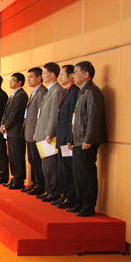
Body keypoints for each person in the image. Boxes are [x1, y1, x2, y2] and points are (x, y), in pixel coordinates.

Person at [67, 61, 107, 217]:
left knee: (86, 174)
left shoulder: (92, 91)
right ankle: (80, 203)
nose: (73, 76)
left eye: (76, 72)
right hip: (78, 139)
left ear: (86, 74)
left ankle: (88, 206)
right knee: (78, 174)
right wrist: (72, 139)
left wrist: (88, 139)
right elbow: (76, 119)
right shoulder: (82, 91)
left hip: (86, 140)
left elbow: (93, 117)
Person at [34, 62, 64, 203]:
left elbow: (54, 114)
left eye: (45, 73)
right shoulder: (48, 90)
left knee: (51, 165)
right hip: (42, 132)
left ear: (53, 75)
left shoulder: (57, 90)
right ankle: (49, 190)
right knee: (45, 164)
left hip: (49, 135)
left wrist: (49, 132)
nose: (43, 76)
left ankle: (54, 191)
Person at [55, 65, 79, 210]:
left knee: (68, 168)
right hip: (61, 136)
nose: (60, 77)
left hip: (67, 138)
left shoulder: (74, 92)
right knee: (62, 168)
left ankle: (71, 197)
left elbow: (72, 117)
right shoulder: (66, 91)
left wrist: (70, 138)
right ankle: (65, 195)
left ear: (71, 76)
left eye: (63, 74)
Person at [0, 73, 29, 189]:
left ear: (20, 82)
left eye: (13, 80)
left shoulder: (22, 95)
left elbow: (16, 113)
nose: (10, 82)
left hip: (17, 131)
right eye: (10, 80)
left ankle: (19, 180)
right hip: (10, 131)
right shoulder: (12, 95)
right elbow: (6, 113)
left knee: (18, 156)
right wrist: (3, 124)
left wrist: (6, 125)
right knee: (12, 156)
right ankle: (14, 178)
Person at [24, 67, 47, 195]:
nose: (28, 79)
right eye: (28, 77)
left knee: (37, 160)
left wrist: (37, 131)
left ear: (39, 78)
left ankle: (40, 184)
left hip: (35, 132)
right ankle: (34, 182)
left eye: (31, 77)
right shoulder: (33, 92)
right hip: (29, 130)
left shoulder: (42, 92)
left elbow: (41, 115)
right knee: (32, 159)